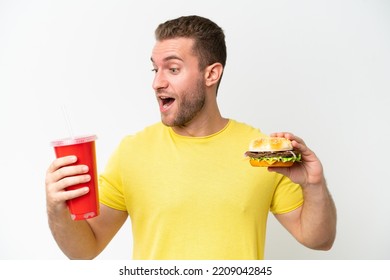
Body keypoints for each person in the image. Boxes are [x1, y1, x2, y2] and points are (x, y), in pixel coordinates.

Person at [45, 15, 336, 260]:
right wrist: (56, 207)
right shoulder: (132, 151)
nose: (157, 82)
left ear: (211, 74)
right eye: (155, 69)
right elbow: (84, 249)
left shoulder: (259, 153)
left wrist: (314, 185)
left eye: (172, 69)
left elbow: (319, 240)